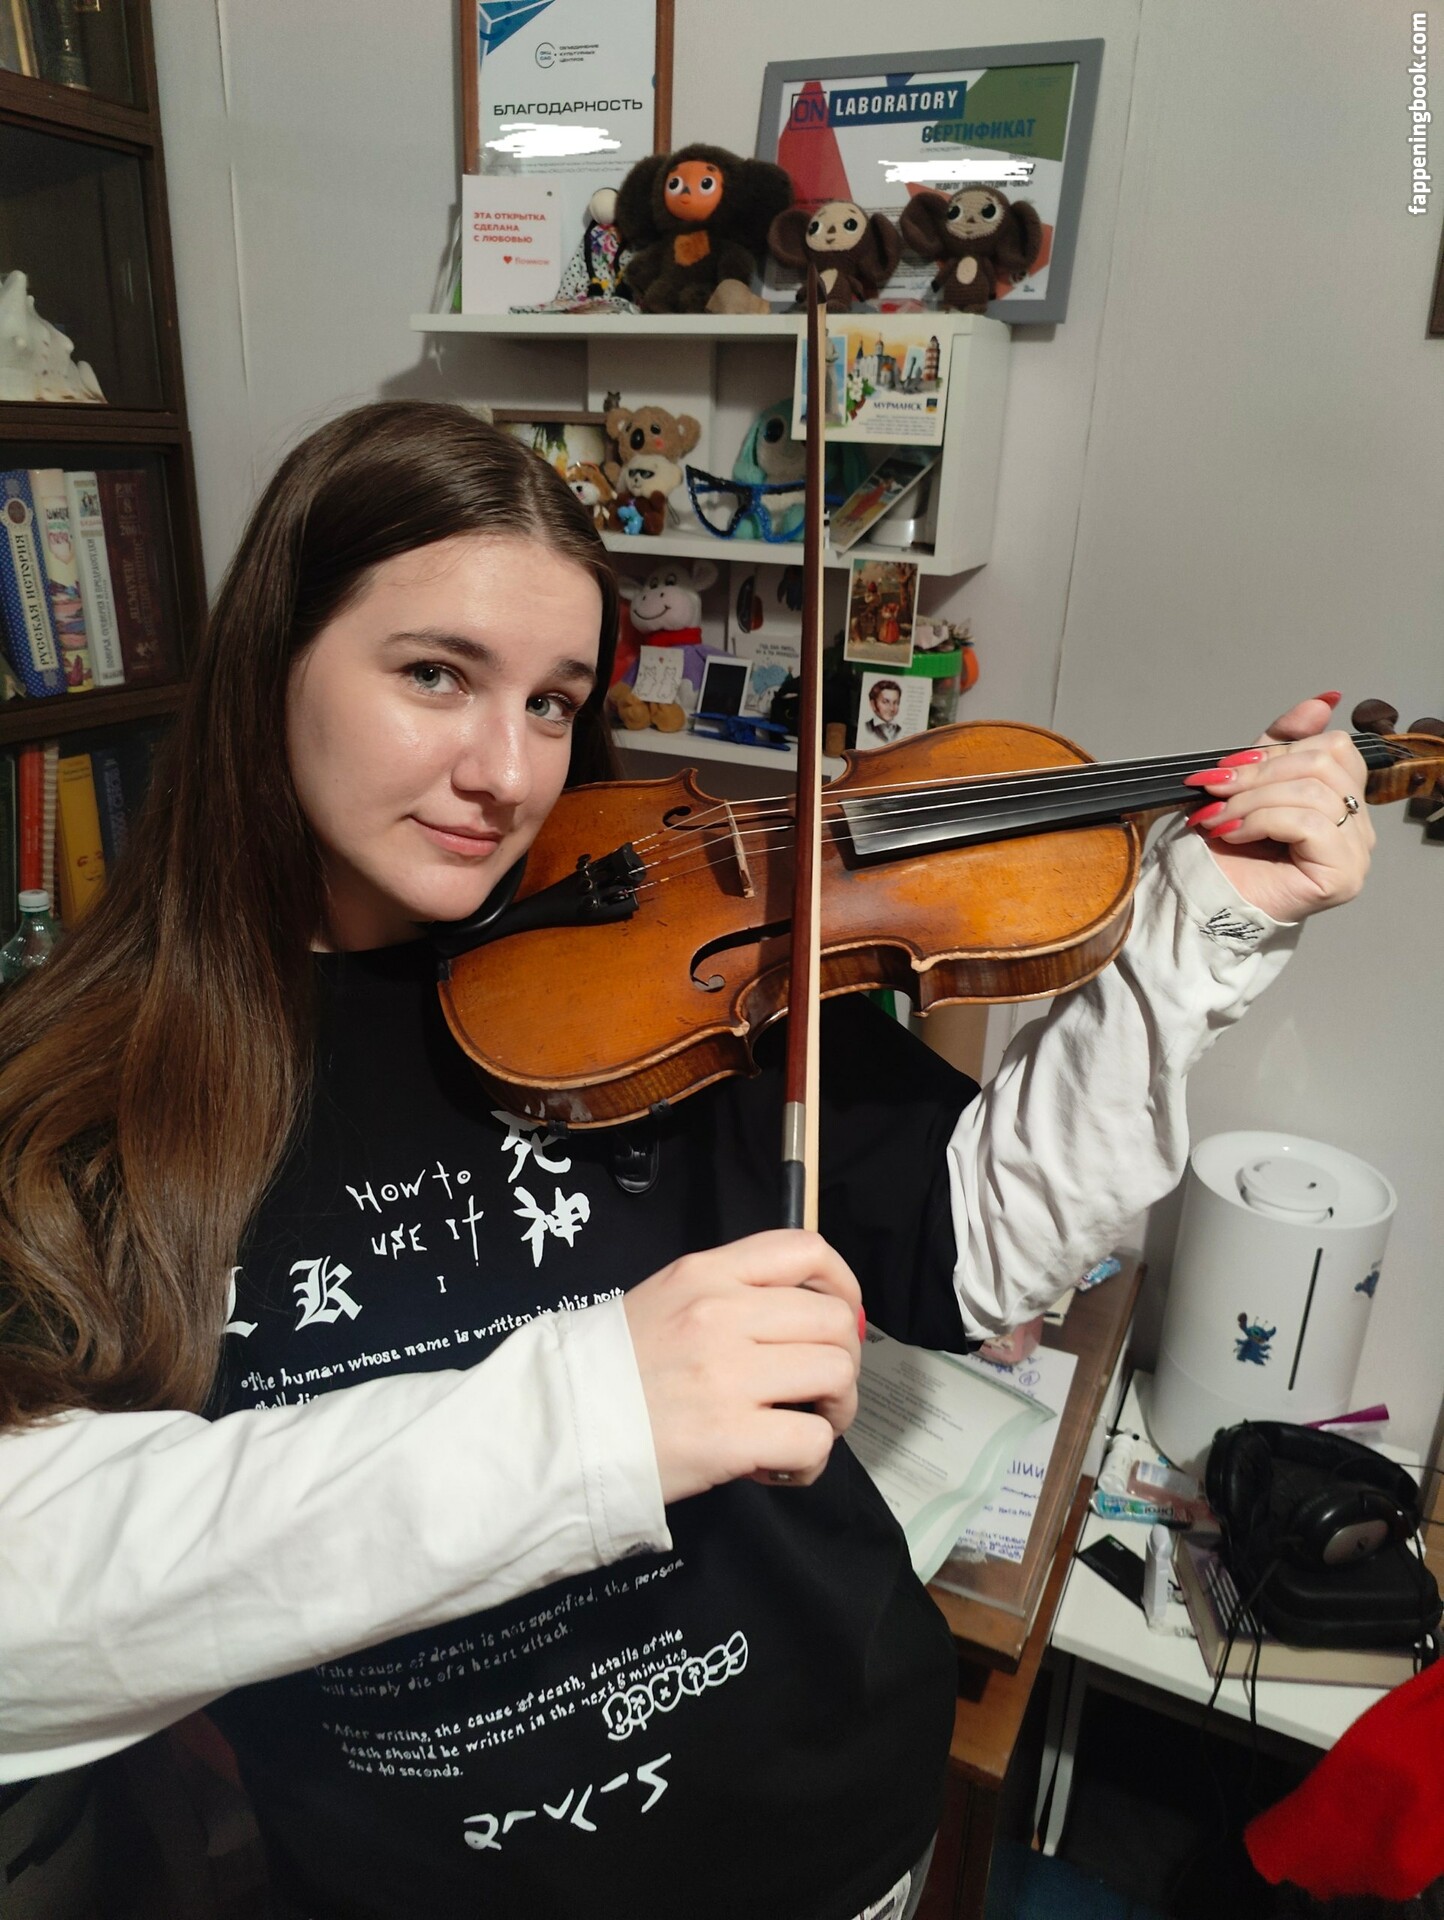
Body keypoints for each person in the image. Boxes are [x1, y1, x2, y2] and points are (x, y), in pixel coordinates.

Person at [0, 402, 1375, 1920]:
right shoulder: (83, 1090)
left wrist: (1202, 932)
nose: (507, 774)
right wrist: (593, 1416)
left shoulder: (647, 946)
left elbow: (975, 1250)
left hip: (840, 1840)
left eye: (552, 702)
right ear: (273, 660)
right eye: (436, 674)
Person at [863, 677, 905, 744]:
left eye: (895, 702)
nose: (892, 708)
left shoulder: (900, 730)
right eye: (885, 702)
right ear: (873, 704)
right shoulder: (867, 728)